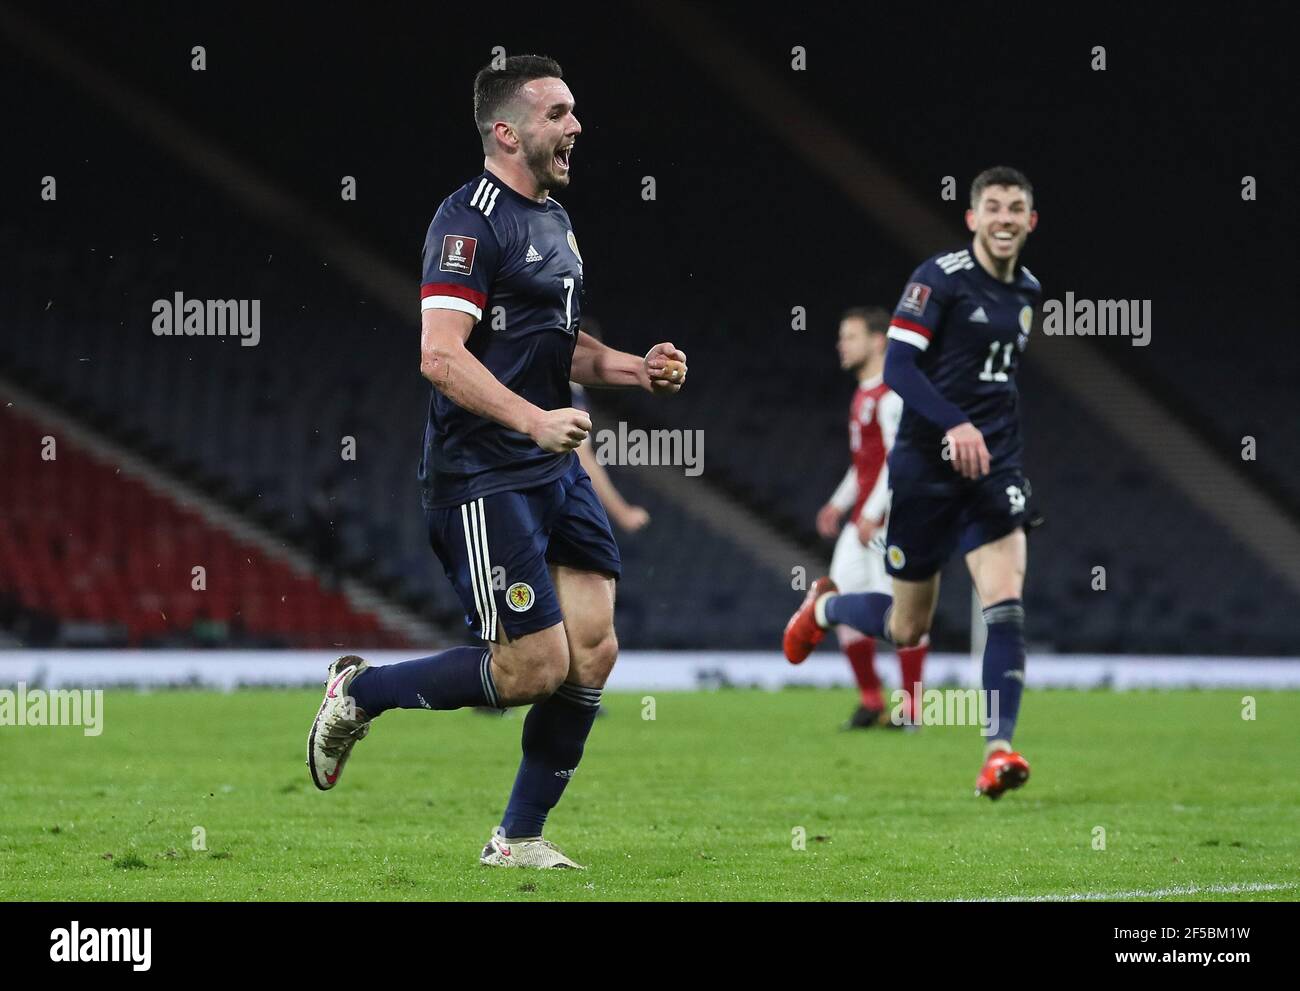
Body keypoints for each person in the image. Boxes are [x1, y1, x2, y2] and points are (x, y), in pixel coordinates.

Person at [306, 55, 688, 866]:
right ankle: (358, 692)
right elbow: (439, 355)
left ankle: (517, 838)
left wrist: (633, 367)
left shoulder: (554, 220)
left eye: (574, 110)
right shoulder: (467, 222)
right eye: (558, 114)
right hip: (483, 473)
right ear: (507, 131)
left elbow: (554, 345)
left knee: (594, 649)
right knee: (532, 668)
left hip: (550, 468)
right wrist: (531, 420)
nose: (576, 126)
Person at [785, 167, 1041, 799]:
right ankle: (823, 608)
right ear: (973, 217)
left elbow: (996, 381)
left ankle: (997, 750)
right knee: (908, 628)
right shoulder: (939, 279)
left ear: (1031, 221)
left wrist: (986, 434)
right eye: (994, 208)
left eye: (1017, 209)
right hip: (925, 471)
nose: (1005, 218)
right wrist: (955, 424)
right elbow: (898, 365)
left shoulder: (1030, 290)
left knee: (1005, 603)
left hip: (992, 468)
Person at [816, 306, 927, 729]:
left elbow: (898, 459)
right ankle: (871, 701)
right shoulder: (863, 393)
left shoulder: (892, 395)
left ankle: (913, 709)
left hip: (891, 523)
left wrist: (874, 511)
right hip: (862, 522)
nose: (842, 344)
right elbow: (864, 463)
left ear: (878, 341)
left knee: (903, 616)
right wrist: (839, 504)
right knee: (840, 604)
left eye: (850, 336)